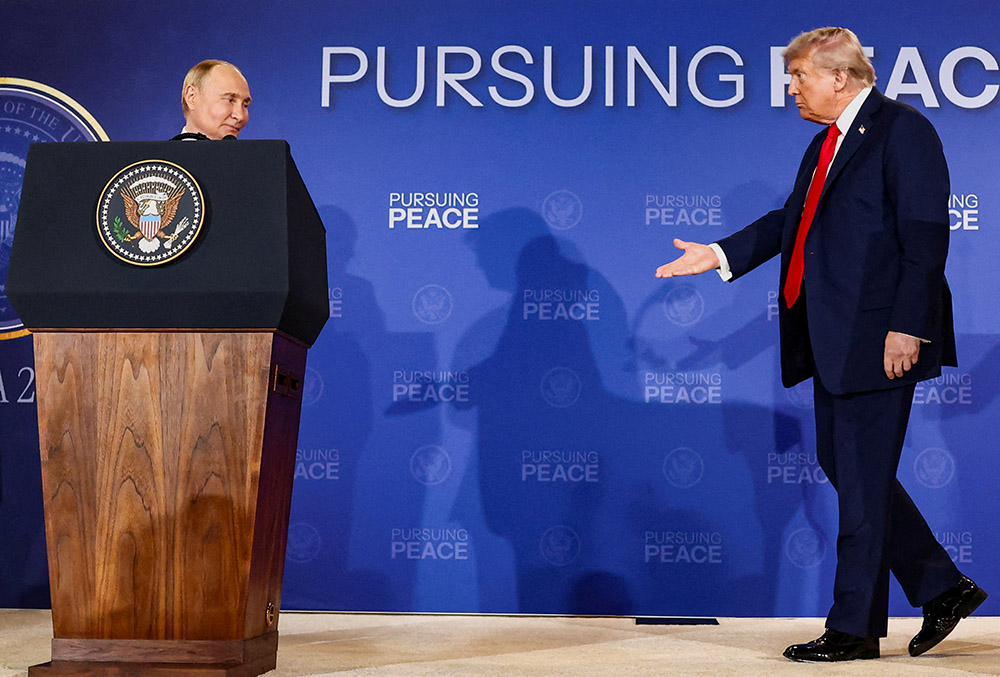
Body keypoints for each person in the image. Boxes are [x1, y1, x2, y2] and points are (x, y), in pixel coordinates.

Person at [655, 27, 986, 662]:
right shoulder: (825, 142)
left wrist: (907, 327)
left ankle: (854, 629)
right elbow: (795, 220)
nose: (791, 88)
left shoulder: (903, 131)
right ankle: (942, 587)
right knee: (852, 473)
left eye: (799, 76)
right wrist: (719, 253)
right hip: (836, 336)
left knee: (861, 482)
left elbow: (925, 235)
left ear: (840, 77)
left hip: (882, 335)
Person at [172, 60, 251, 141]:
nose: (240, 116)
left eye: (245, 105)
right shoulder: (166, 150)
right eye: (230, 100)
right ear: (192, 97)